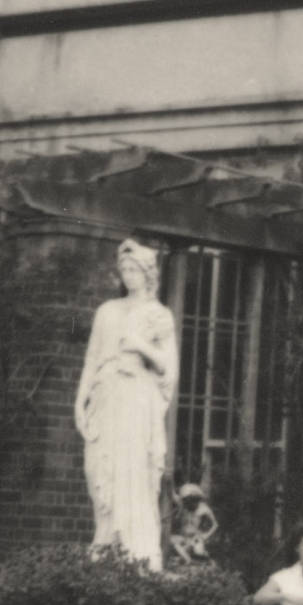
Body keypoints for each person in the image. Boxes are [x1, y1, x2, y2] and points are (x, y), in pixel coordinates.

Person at [75, 238, 177, 570]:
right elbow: (91, 359)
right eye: (125, 270)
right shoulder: (108, 311)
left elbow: (168, 366)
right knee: (99, 470)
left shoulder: (160, 315)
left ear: (149, 273)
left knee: (134, 471)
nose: (129, 275)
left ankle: (137, 551)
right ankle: (105, 540)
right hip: (106, 397)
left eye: (135, 269)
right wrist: (79, 403)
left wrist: (140, 346)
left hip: (137, 400)